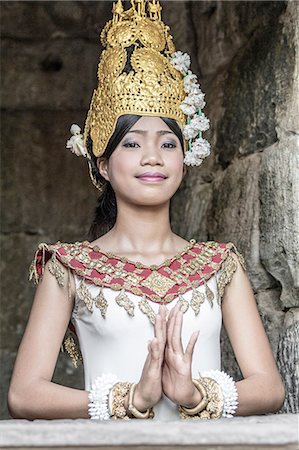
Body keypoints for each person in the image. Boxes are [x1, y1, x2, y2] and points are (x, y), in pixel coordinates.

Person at [8, 0, 285, 421]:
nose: (152, 156)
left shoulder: (220, 265)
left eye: (168, 143)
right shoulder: (67, 268)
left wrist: (195, 396)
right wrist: (130, 399)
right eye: (133, 143)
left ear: (184, 159)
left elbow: (269, 387)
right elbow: (25, 394)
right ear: (103, 163)